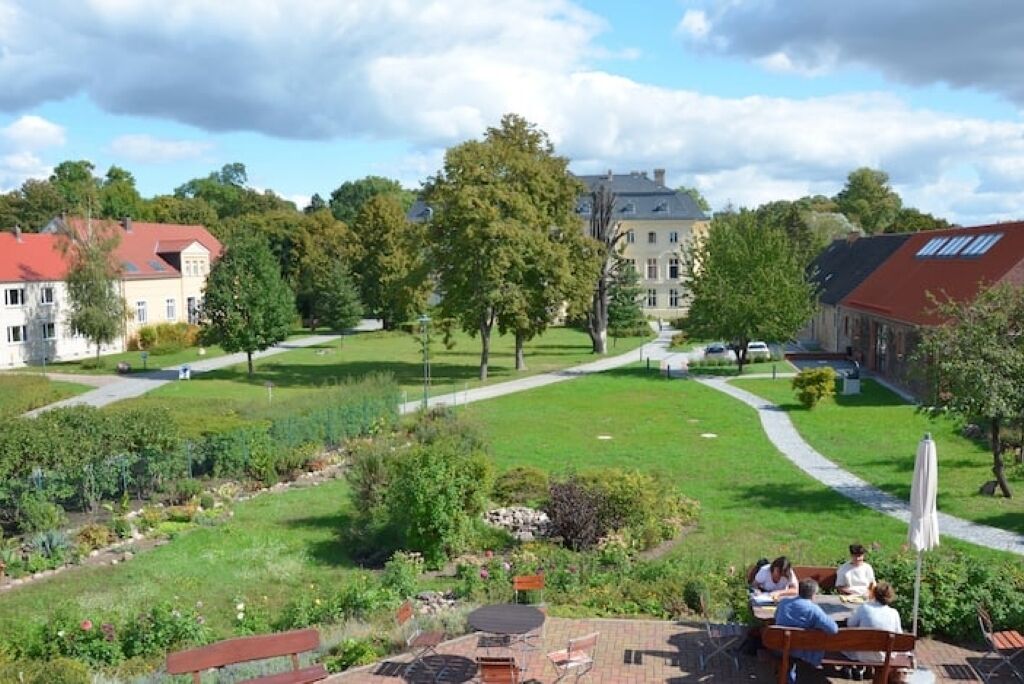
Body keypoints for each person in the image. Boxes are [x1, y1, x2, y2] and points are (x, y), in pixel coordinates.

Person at [775, 578, 840, 684]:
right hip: (802, 650)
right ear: (813, 595)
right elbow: (833, 629)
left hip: (781, 646)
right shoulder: (814, 609)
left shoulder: (783, 603)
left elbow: (776, 617)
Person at [843, 582, 904, 668]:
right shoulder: (894, 613)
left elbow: (850, 624)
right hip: (885, 655)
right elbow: (899, 635)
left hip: (862, 654)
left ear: (874, 594)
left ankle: (851, 668)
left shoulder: (865, 608)